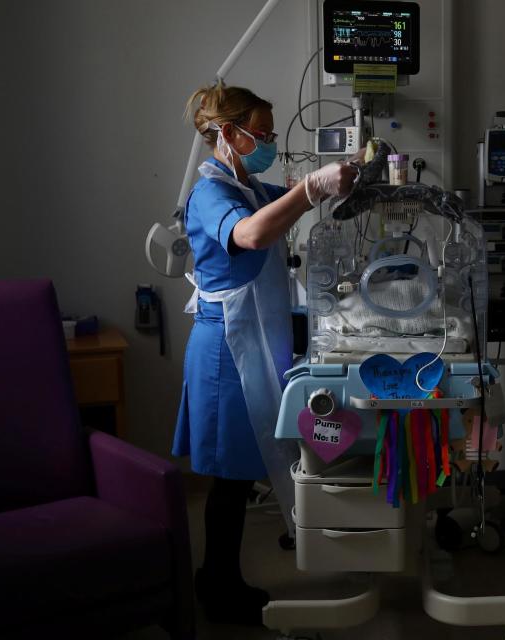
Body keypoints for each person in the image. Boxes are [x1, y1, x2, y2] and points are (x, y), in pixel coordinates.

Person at [172, 81, 358, 624]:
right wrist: (311, 191)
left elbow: (285, 199)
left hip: (255, 338)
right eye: (262, 134)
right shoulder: (211, 193)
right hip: (225, 347)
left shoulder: (247, 184)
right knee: (229, 479)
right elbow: (252, 236)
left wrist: (339, 183)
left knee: (243, 468)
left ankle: (217, 577)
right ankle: (219, 585)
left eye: (272, 135)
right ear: (227, 133)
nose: (270, 142)